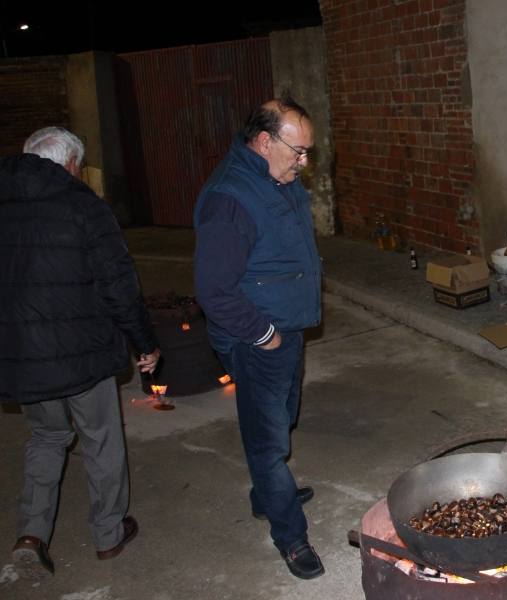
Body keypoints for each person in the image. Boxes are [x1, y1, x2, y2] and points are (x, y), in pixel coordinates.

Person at [0, 127, 161, 579]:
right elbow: (119, 287)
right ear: (71, 164)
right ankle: (108, 533)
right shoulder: (85, 208)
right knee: (100, 439)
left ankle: (30, 534)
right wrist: (144, 342)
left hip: (24, 357)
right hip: (83, 354)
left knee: (47, 437)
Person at [193, 93, 325, 579]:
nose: (304, 162)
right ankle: (291, 536)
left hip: (286, 328)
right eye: (299, 151)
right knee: (267, 443)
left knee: (283, 417)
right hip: (258, 338)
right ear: (265, 142)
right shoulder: (231, 198)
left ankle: (266, 492)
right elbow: (213, 289)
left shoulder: (277, 177)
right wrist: (264, 334)